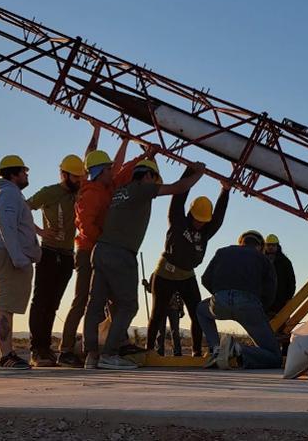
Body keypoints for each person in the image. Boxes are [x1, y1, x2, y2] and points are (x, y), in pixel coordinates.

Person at [84, 160, 207, 370]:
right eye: (155, 178)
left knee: (95, 305)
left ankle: (91, 355)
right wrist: (198, 173)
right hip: (121, 254)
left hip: (101, 251)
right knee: (129, 305)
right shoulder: (143, 188)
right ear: (148, 176)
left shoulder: (121, 190)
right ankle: (110, 354)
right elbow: (179, 188)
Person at [56, 124, 153, 367]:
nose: (114, 170)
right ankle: (67, 348)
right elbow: (85, 225)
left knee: (112, 301)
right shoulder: (90, 194)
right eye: (109, 168)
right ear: (101, 172)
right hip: (90, 250)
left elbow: (122, 168)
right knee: (85, 301)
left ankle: (115, 343)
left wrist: (144, 155)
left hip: (104, 251)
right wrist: (105, 240)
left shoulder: (108, 186)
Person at [145, 167, 230, 357]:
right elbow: (178, 198)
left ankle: (197, 351)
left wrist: (225, 191)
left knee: (197, 313)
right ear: (191, 213)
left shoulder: (206, 231)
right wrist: (190, 172)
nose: (200, 223)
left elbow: (219, 217)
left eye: (203, 220)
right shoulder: (177, 221)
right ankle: (149, 351)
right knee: (158, 313)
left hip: (187, 275)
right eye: (197, 219)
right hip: (166, 272)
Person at [25, 154, 86, 367]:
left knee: (53, 304)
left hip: (68, 255)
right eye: (76, 177)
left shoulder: (79, 193)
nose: (79, 180)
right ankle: (37, 349)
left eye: (81, 176)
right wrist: (41, 231)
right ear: (65, 174)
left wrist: (95, 131)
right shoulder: (49, 192)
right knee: (41, 301)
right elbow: (23, 208)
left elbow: (90, 154)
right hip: (49, 253)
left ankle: (46, 349)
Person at [0, 155, 42, 371]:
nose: (26, 175)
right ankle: (6, 356)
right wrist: (18, 257)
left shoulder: (11, 195)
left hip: (11, 256)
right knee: (6, 306)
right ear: (13, 174)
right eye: (23, 171)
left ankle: (7, 354)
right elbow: (6, 226)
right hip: (8, 257)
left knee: (8, 305)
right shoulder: (9, 194)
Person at [197, 230, 281, 370]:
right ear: (260, 246)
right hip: (249, 305)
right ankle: (236, 349)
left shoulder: (222, 252)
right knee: (274, 356)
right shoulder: (263, 258)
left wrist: (220, 295)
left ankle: (216, 349)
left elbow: (205, 279)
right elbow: (271, 290)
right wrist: (261, 308)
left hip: (220, 301)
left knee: (201, 309)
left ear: (241, 242)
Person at [263, 234, 296, 319]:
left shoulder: (285, 262)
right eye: (268, 245)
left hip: (281, 302)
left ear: (277, 246)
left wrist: (288, 298)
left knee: (281, 328)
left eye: (273, 245)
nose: (270, 247)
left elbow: (291, 282)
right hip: (264, 302)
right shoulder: (261, 260)